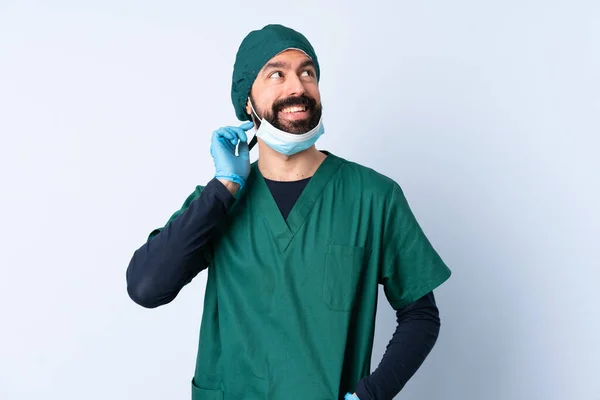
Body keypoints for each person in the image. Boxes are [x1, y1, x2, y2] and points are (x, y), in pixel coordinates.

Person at [126, 24, 452, 400]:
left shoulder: (373, 197)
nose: (297, 87)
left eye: (307, 73)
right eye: (276, 74)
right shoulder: (218, 203)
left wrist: (372, 395)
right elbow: (146, 287)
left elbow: (421, 316)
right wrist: (224, 186)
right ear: (247, 102)